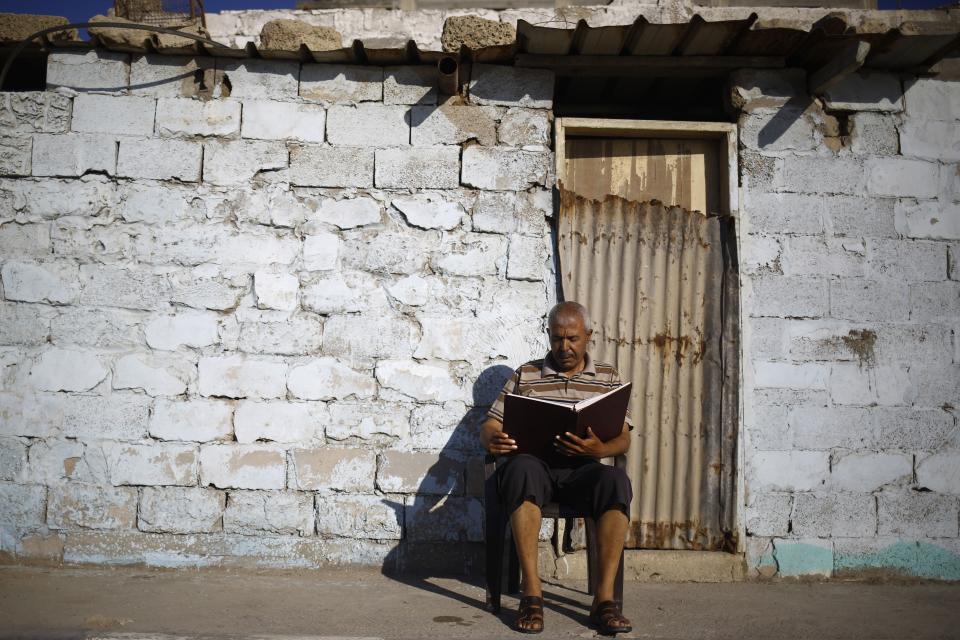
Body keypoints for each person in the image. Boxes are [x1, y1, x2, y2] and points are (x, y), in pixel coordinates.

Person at [479, 301, 633, 635]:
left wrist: (601, 448)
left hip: (582, 470)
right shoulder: (527, 374)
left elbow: (624, 438)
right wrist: (493, 440)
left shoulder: (607, 376)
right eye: (557, 338)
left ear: (588, 336)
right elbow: (491, 424)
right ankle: (532, 595)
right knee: (520, 470)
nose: (565, 347)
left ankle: (604, 601)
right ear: (549, 336)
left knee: (616, 483)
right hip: (535, 467)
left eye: (573, 339)